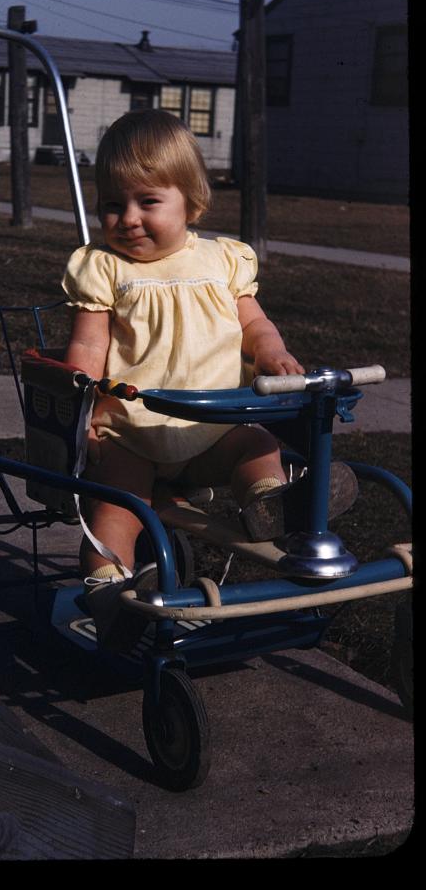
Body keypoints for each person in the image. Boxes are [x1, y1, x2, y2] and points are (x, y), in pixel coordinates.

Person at [62, 110, 357, 648]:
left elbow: (255, 325)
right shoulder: (104, 268)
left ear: (191, 203)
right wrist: (80, 405)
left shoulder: (224, 260)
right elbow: (88, 347)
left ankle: (269, 503)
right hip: (132, 432)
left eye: (147, 202)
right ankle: (109, 590)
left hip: (213, 426)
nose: (128, 218)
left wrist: (272, 352)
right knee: (117, 508)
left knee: (257, 445)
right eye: (113, 204)